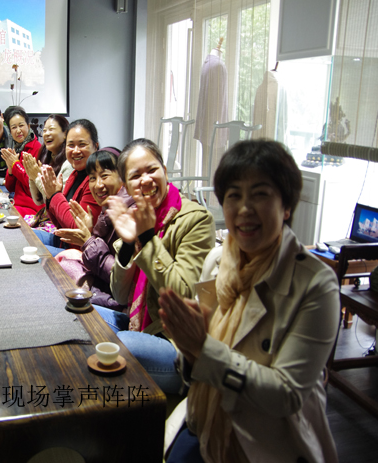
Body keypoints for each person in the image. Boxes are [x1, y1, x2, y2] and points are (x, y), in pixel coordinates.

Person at [161, 140, 339, 463]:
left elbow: (286, 394)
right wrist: (189, 348)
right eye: (233, 195)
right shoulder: (218, 262)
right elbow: (197, 364)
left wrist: (203, 348)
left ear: (287, 206)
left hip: (268, 442)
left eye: (260, 194)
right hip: (205, 421)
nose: (244, 208)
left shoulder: (316, 285)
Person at [98, 138, 215, 394]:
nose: (146, 180)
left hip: (177, 345)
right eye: (135, 176)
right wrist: (129, 244)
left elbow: (183, 295)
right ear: (126, 186)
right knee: (85, 316)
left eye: (152, 170)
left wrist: (148, 238)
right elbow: (119, 295)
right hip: (140, 324)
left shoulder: (195, 220)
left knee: (122, 345)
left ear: (165, 171)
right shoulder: (136, 217)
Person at [54, 149, 131, 310]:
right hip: (105, 290)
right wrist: (90, 232)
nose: (98, 185)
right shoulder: (109, 206)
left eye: (104, 176)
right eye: (93, 178)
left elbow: (121, 280)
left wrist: (89, 240)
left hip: (120, 305)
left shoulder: (129, 213)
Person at [35, 119, 102, 256]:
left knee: (31, 252)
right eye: (70, 145)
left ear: (95, 146)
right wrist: (50, 197)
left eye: (82, 144)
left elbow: (77, 229)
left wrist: (55, 196)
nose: (76, 151)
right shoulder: (74, 174)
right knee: (23, 235)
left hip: (81, 251)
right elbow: (59, 222)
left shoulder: (96, 181)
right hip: (64, 241)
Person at [22, 114, 73, 232]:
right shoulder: (46, 157)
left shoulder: (69, 163)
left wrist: (37, 178)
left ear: (65, 134)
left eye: (51, 129)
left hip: (57, 223)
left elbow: (56, 205)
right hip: (45, 216)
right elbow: (38, 201)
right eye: (44, 130)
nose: (46, 134)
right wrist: (32, 177)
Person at [0, 106, 43, 216]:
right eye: (14, 127)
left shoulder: (37, 148)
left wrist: (15, 164)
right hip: (17, 205)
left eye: (21, 125)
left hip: (32, 208)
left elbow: (33, 185)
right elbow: (10, 187)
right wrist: (10, 169)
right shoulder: (18, 149)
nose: (18, 130)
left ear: (28, 126)